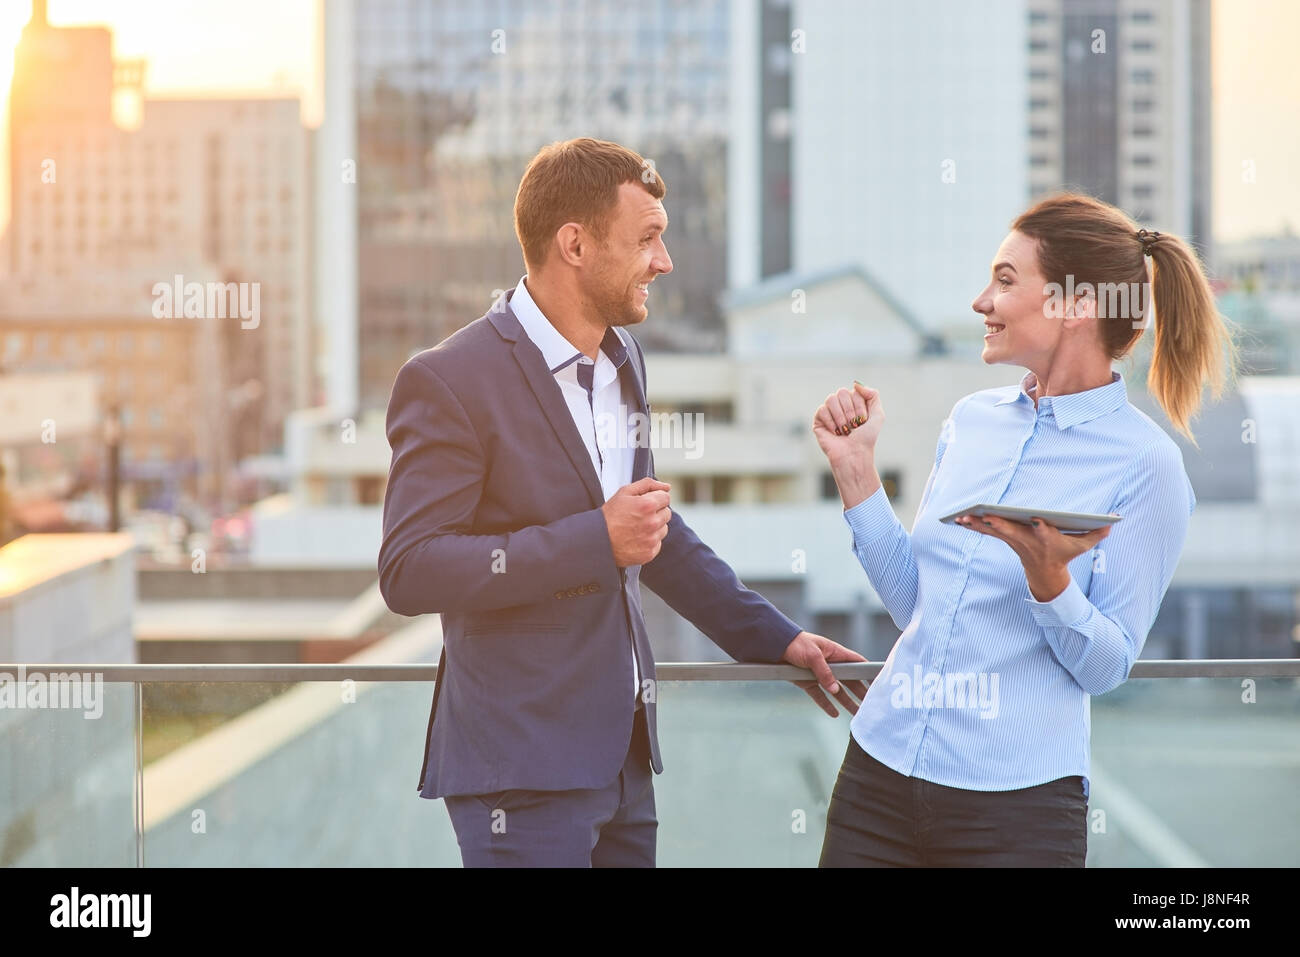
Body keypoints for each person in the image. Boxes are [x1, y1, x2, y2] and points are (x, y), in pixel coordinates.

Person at [379, 137, 867, 868]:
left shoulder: (625, 359)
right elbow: (410, 569)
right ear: (573, 244)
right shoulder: (449, 380)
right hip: (520, 770)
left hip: (625, 762)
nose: (664, 262)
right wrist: (593, 538)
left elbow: (650, 532)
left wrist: (773, 637)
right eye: (647, 239)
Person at [813, 192, 1236, 867]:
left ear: (1075, 305)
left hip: (1015, 815)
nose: (982, 301)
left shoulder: (1147, 465)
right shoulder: (970, 420)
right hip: (878, 776)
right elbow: (914, 605)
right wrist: (856, 470)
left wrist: (1051, 582)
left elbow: (1106, 665)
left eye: (1006, 281)